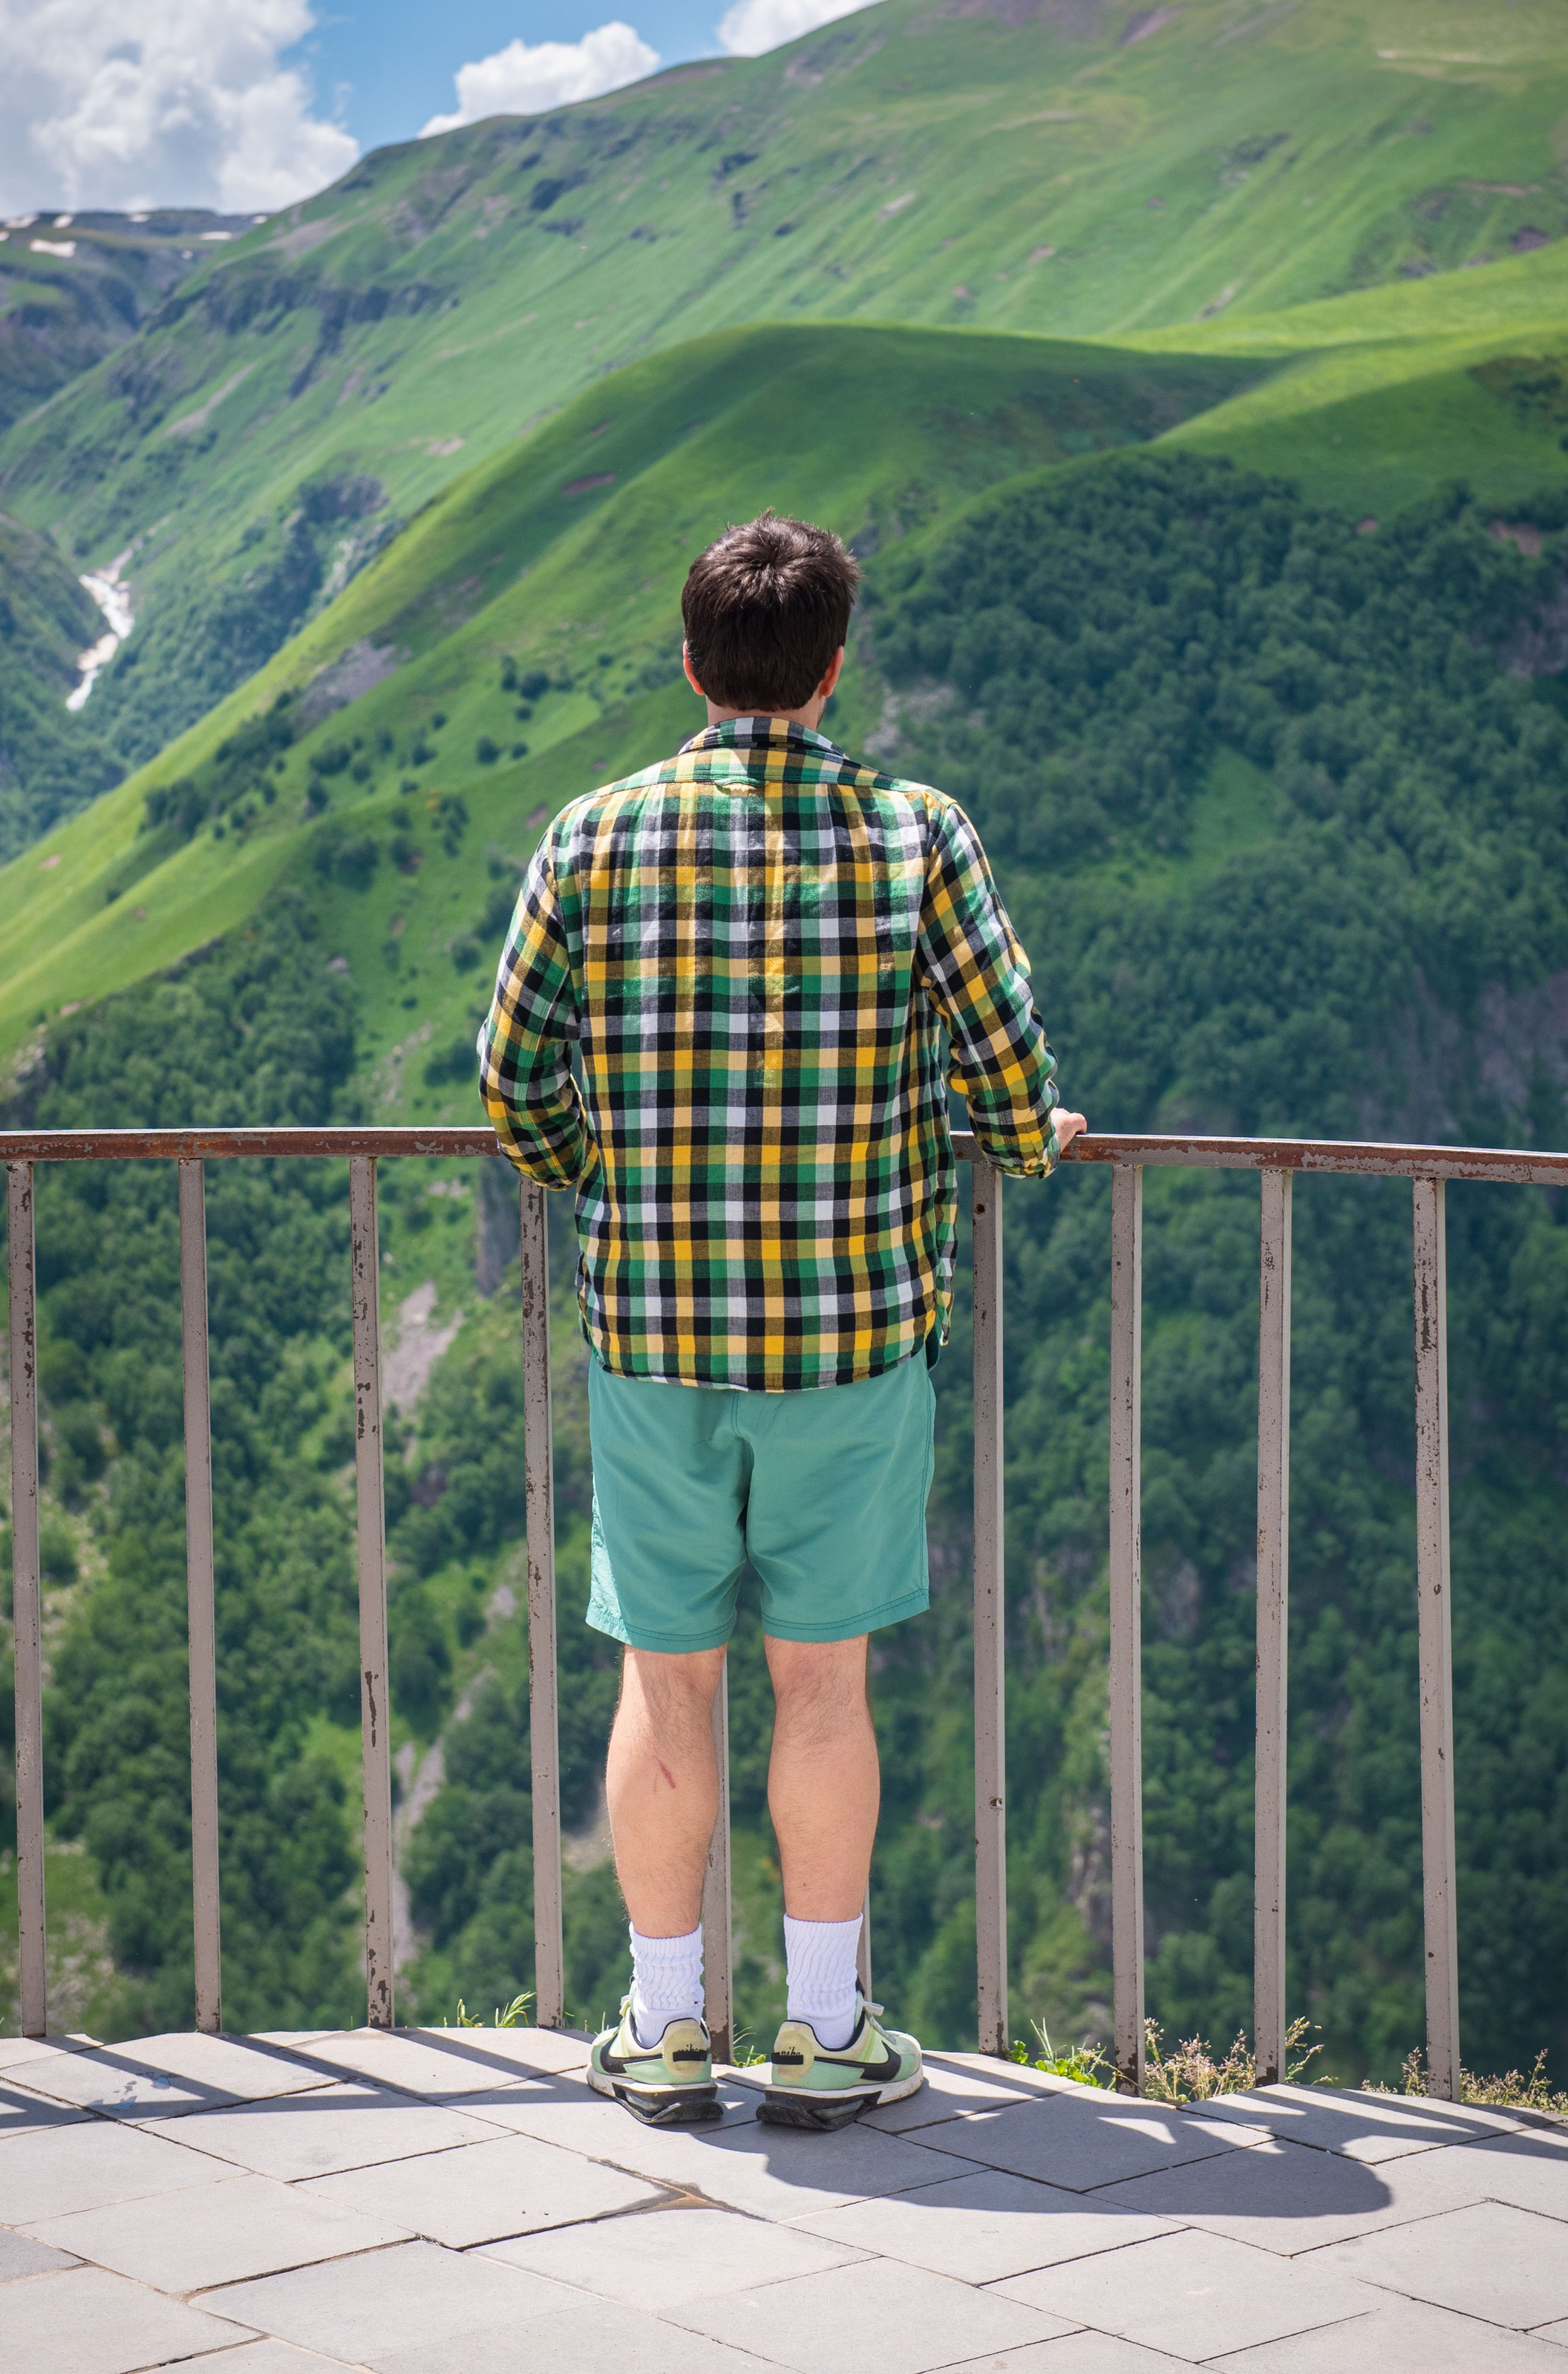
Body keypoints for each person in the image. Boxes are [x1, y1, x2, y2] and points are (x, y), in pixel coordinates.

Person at [479, 512, 1082, 2130]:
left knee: (665, 1682)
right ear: (832, 669)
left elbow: (511, 1077)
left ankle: (666, 2028)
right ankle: (825, 2034)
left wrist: (591, 1170)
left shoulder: (591, 836)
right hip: (849, 1338)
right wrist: (1029, 1143)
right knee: (824, 1686)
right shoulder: (918, 836)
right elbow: (1008, 1076)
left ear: (693, 665)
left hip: (654, 1332)